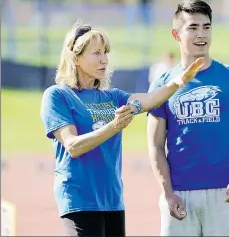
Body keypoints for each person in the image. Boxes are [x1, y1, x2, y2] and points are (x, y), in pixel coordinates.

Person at [40, 22, 204, 237]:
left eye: (105, 53)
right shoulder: (58, 96)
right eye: (96, 53)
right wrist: (114, 126)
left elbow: (150, 100)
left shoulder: (114, 96)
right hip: (79, 199)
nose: (104, 59)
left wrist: (179, 81)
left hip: (112, 199)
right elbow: (73, 146)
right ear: (76, 58)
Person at [147, 0, 229, 236]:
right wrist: (167, 192)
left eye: (206, 27)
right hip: (179, 195)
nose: (201, 34)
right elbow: (155, 145)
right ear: (176, 34)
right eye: (193, 27)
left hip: (225, 194)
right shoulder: (162, 85)